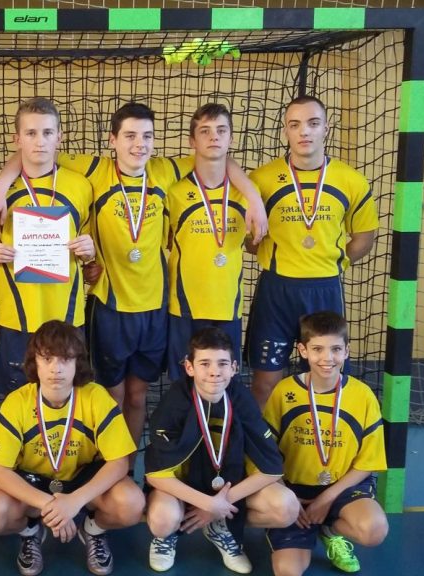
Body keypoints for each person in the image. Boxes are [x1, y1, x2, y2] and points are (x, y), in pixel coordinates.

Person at [0, 101, 265, 473]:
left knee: (137, 396)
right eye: (129, 136)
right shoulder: (95, 171)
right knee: (111, 396)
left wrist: (254, 198)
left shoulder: (163, 171)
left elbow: (218, 156)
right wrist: (0, 186)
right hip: (110, 308)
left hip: (155, 310)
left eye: (147, 136)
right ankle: (106, 470)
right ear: (112, 140)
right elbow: (35, 152)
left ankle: (128, 470)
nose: (139, 144)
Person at [0, 320, 144, 576]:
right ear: (34, 362)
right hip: (35, 483)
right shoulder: (17, 402)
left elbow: (119, 462)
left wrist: (75, 501)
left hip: (83, 480)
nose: (55, 368)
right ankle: (30, 531)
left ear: (78, 363)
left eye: (65, 359)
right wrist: (50, 504)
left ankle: (93, 529)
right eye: (47, 359)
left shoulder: (96, 397)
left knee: (132, 504)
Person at [246, 95, 378, 407]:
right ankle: (262, 440)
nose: (304, 131)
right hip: (276, 291)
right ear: (285, 131)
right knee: (265, 384)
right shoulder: (260, 180)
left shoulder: (351, 180)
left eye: (313, 123)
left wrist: (332, 262)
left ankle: (319, 438)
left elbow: (364, 238)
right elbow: (248, 241)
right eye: (295, 125)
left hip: (324, 290)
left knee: (325, 379)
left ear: (326, 129)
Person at [144, 327, 298, 573]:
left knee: (287, 507)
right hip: (183, 490)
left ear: (234, 368)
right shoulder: (174, 402)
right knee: (163, 520)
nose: (214, 372)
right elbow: (155, 475)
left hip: (227, 489)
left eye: (223, 363)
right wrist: (206, 503)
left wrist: (217, 507)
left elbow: (272, 469)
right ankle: (167, 536)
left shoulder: (242, 400)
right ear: (189, 367)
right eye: (205, 363)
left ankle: (219, 527)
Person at [0, 97, 95, 392]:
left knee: (68, 397)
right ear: (17, 139)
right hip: (17, 318)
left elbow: (90, 250)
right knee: (16, 400)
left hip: (66, 316)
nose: (40, 141)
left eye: (47, 132)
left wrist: (89, 250)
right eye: (30, 133)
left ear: (60, 136)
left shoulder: (81, 186)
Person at [263, 311, 388, 576]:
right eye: (317, 349)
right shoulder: (284, 392)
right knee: (287, 571)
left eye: (336, 349)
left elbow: (369, 462)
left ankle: (329, 528)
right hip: (294, 492)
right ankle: (296, 525)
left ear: (347, 351)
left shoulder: (363, 395)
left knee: (374, 530)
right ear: (303, 350)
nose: (327, 358)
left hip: (342, 487)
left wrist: (326, 499)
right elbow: (265, 454)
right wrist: (285, 496)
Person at [165, 103, 249, 380]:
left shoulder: (247, 192)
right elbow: (164, 242)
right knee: (183, 384)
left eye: (221, 130)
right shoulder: (174, 191)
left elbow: (254, 244)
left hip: (228, 306)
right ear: (192, 141)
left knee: (224, 383)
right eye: (205, 131)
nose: (214, 137)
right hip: (185, 307)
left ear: (231, 138)